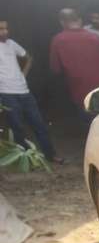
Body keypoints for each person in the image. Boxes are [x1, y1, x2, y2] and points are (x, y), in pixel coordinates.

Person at [0, 19, 61, 163]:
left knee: (39, 124)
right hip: (6, 93)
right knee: (17, 127)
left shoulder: (11, 43)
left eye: (6, 28)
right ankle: (27, 160)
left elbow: (28, 57)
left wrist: (24, 74)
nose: (5, 31)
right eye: (1, 29)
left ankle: (51, 155)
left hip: (24, 91)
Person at [49, 8, 99, 121]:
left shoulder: (58, 40)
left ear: (62, 22)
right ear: (80, 20)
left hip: (81, 93)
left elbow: (55, 69)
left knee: (90, 125)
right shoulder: (97, 38)